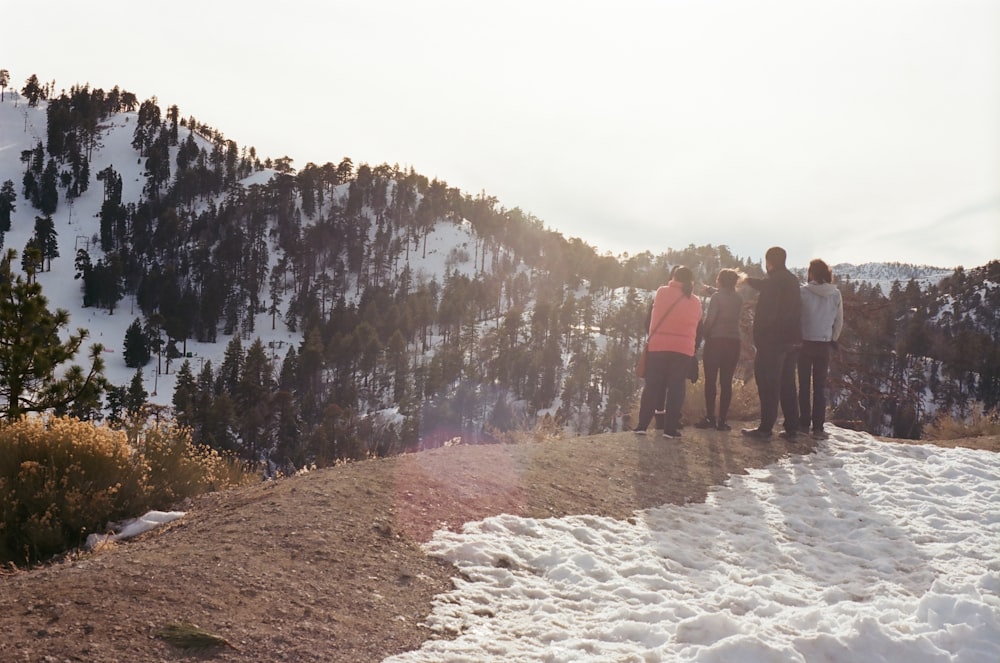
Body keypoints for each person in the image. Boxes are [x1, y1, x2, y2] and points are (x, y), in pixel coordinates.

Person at [634, 266, 703, 438]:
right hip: (683, 349)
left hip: (659, 346)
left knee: (652, 386)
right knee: (676, 387)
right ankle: (670, 429)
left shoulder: (662, 292)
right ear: (691, 281)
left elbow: (649, 318)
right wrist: (693, 347)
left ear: (673, 277)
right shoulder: (695, 301)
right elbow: (699, 326)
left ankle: (642, 426)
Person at [741, 247, 801, 441]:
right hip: (791, 341)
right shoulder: (791, 280)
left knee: (767, 382)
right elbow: (766, 285)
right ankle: (792, 428)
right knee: (788, 384)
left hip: (772, 341)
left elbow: (770, 311)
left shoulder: (774, 283)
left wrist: (761, 334)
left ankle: (766, 428)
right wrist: (748, 280)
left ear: (770, 262)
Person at [798, 258, 843, 440]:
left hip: (804, 342)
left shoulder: (803, 292)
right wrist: (833, 338)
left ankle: (803, 424)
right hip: (824, 344)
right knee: (819, 386)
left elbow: (796, 316)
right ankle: (818, 427)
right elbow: (839, 321)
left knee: (803, 385)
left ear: (811, 273)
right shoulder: (835, 294)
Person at [693, 269, 743, 431]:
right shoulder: (738, 298)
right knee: (726, 382)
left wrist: (704, 335)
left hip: (716, 342)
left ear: (720, 281)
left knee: (711, 381)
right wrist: (710, 289)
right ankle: (722, 420)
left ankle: (709, 417)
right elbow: (726, 296)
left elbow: (710, 319)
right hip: (734, 343)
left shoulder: (716, 298)